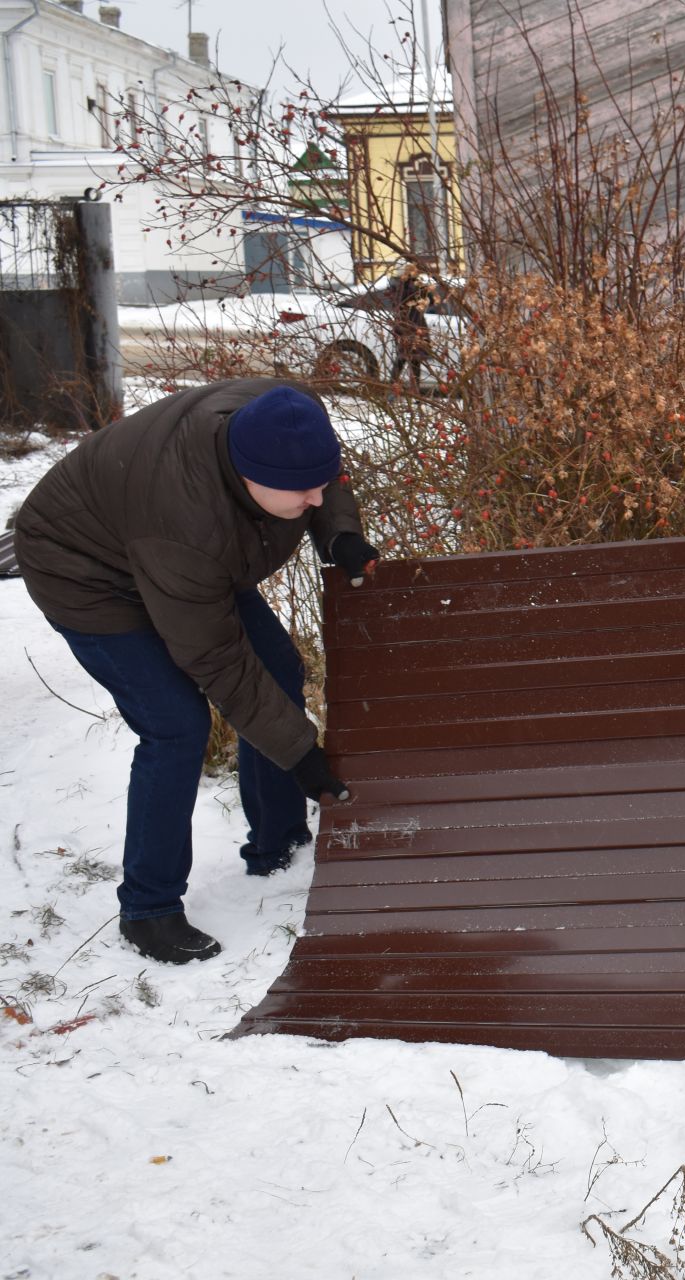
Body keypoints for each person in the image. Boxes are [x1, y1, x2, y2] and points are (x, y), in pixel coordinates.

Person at [12, 380, 379, 964]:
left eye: (319, 481)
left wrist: (341, 531)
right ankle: (149, 908)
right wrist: (302, 755)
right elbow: (218, 661)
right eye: (299, 490)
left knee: (279, 666)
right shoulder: (185, 524)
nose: (314, 496)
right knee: (175, 725)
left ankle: (278, 844)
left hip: (164, 551)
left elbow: (323, 476)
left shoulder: (285, 415)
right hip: (85, 573)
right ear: (249, 476)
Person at [389, 260, 432, 390]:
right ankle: (393, 389)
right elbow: (403, 300)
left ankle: (415, 391)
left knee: (414, 360)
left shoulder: (412, 284)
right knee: (403, 358)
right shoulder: (399, 285)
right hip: (406, 326)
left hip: (415, 324)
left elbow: (426, 298)